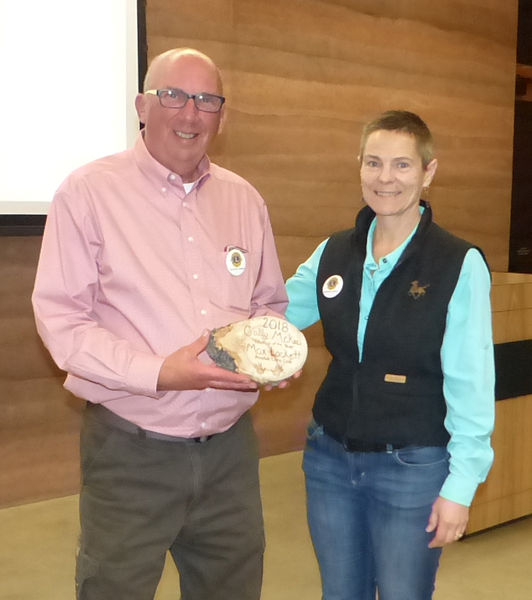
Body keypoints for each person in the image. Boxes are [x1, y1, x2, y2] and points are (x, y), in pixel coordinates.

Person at [32, 48, 291, 600]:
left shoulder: (245, 199)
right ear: (142, 105)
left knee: (233, 589)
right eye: (173, 95)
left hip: (230, 454)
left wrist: (271, 351)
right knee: (114, 589)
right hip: (131, 453)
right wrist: (159, 372)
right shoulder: (87, 193)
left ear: (222, 116)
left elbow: (268, 302)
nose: (190, 113)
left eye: (206, 100)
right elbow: (63, 321)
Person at [285, 110, 495, 600]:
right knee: (340, 593)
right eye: (374, 162)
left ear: (429, 172)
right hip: (330, 462)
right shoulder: (334, 252)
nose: (385, 178)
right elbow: (272, 318)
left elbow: (471, 382)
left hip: (413, 469)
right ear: (358, 166)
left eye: (402, 165)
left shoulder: (457, 263)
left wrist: (460, 487)